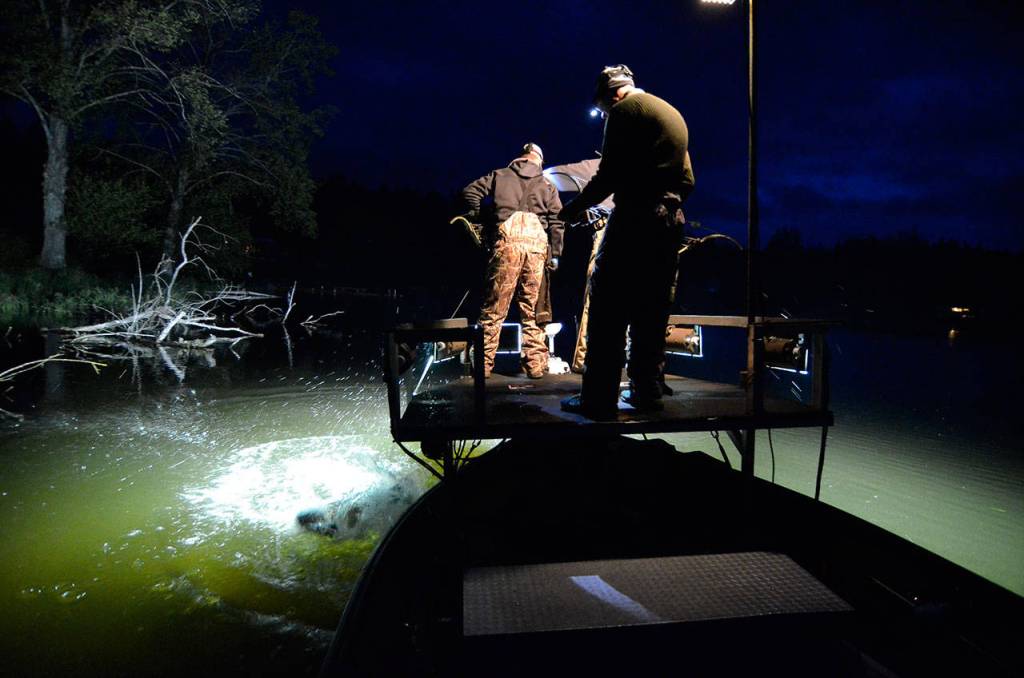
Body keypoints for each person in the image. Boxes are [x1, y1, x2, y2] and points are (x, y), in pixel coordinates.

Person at [559, 65, 695, 418]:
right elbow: (688, 180)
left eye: (603, 109)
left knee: (608, 304)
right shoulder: (672, 113)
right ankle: (646, 391)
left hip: (635, 216)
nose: (605, 114)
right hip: (669, 222)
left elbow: (608, 177)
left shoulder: (625, 112)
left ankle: (598, 398)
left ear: (612, 95)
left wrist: (573, 209)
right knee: (652, 308)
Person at [461, 143, 564, 378]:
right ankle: (535, 367)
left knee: (494, 308)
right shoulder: (548, 185)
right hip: (537, 248)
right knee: (533, 310)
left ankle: (483, 366)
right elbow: (558, 221)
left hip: (506, 245)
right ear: (539, 160)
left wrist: (479, 216)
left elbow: (469, 192)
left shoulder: (499, 175)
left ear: (520, 158)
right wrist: (556, 254)